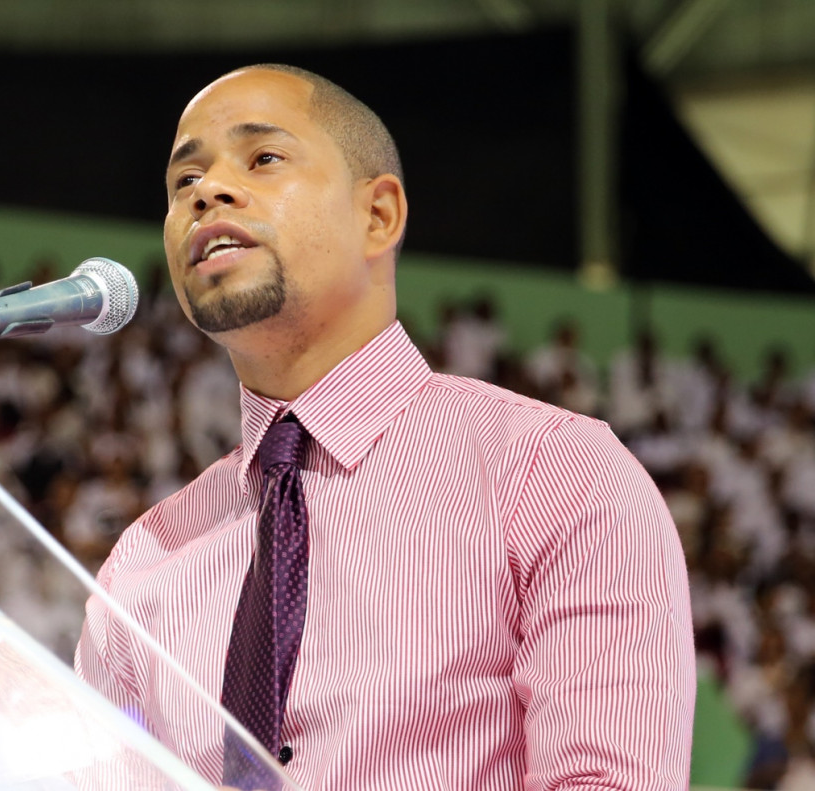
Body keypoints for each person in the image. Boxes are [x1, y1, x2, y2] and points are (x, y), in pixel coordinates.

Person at [74, 63, 695, 789]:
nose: (208, 191)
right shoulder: (143, 564)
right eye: (184, 181)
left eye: (263, 158)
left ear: (378, 216)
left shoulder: (553, 476)